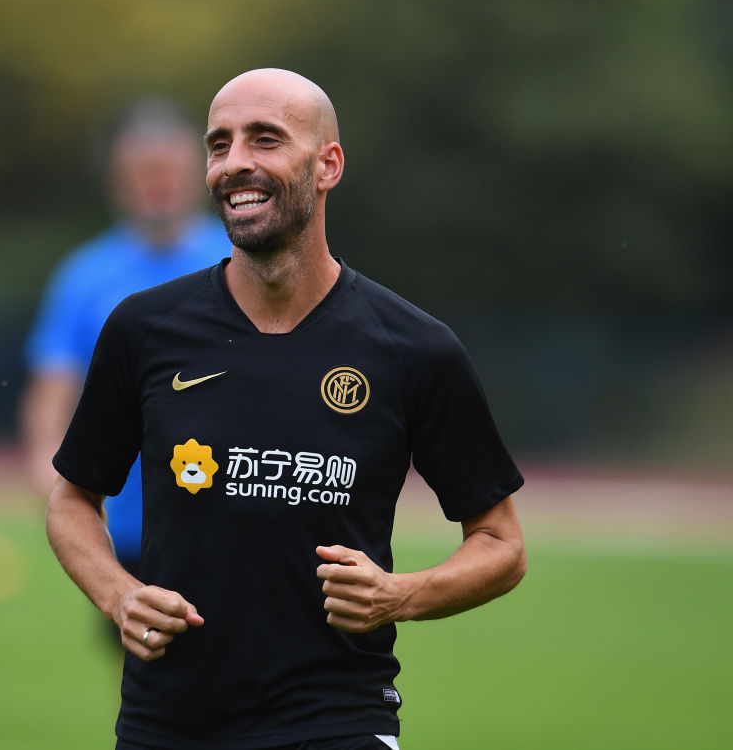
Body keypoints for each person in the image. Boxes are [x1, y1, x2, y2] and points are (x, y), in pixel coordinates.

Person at [46, 69, 526, 749]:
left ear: (327, 165)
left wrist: (401, 595)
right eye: (219, 144)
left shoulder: (413, 349)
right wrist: (118, 594)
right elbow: (72, 501)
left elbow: (502, 544)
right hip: (169, 725)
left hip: (340, 720)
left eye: (265, 139)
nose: (235, 162)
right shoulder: (144, 329)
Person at [23, 98, 231, 580]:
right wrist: (46, 470)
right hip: (121, 526)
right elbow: (53, 385)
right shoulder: (84, 275)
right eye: (144, 172)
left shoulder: (241, 260)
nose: (158, 183)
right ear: (119, 182)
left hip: (228, 519)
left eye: (169, 170)